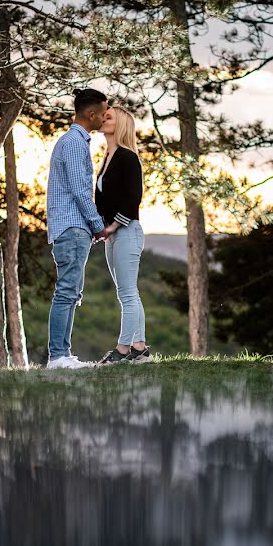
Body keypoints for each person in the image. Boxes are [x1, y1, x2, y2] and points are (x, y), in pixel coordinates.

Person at [45, 88, 110, 369]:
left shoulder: (76, 141)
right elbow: (80, 191)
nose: (106, 116)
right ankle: (57, 357)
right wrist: (98, 226)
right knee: (66, 291)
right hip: (72, 227)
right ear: (91, 113)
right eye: (104, 111)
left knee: (71, 292)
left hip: (74, 227)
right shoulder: (73, 143)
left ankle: (63, 354)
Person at [94, 106, 152, 365]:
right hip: (113, 233)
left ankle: (122, 350)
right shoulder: (108, 157)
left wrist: (113, 227)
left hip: (126, 231)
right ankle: (140, 349)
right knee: (128, 294)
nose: (103, 118)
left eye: (109, 117)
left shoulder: (128, 157)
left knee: (127, 294)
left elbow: (133, 199)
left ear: (121, 125)